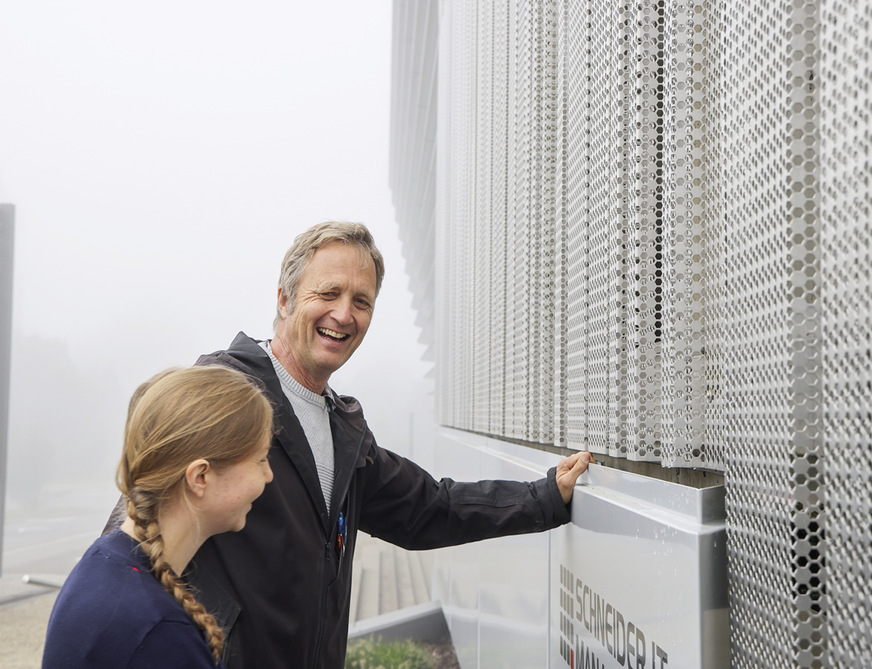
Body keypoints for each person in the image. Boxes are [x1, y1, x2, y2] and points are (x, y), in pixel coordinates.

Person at [44, 366, 275, 669]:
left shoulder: (102, 562)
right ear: (200, 477)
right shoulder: (161, 636)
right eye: (260, 459)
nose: (269, 475)